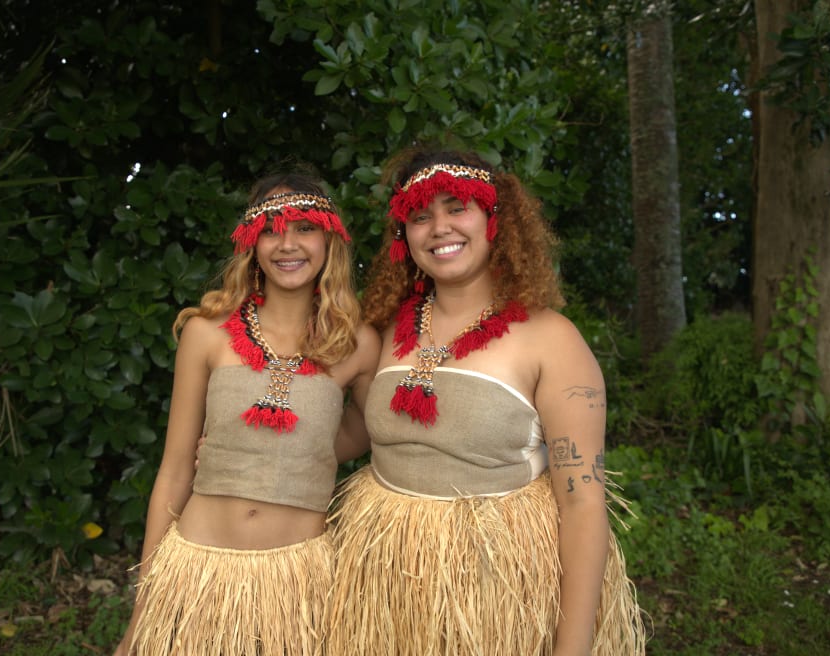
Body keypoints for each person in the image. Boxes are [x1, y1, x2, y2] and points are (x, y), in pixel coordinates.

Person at [323, 148, 646, 655]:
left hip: (498, 591)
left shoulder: (551, 339)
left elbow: (584, 503)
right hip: (385, 584)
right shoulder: (380, 330)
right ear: (403, 237)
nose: (439, 228)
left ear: (495, 219)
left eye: (457, 208)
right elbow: (352, 430)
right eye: (420, 215)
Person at [114, 171, 379, 656]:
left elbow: (370, 427)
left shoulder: (357, 344)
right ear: (251, 242)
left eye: (304, 227)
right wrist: (144, 608)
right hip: (199, 566)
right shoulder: (206, 333)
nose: (287, 243)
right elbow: (173, 471)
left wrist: (303, 453)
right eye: (271, 228)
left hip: (297, 580)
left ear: (329, 239)